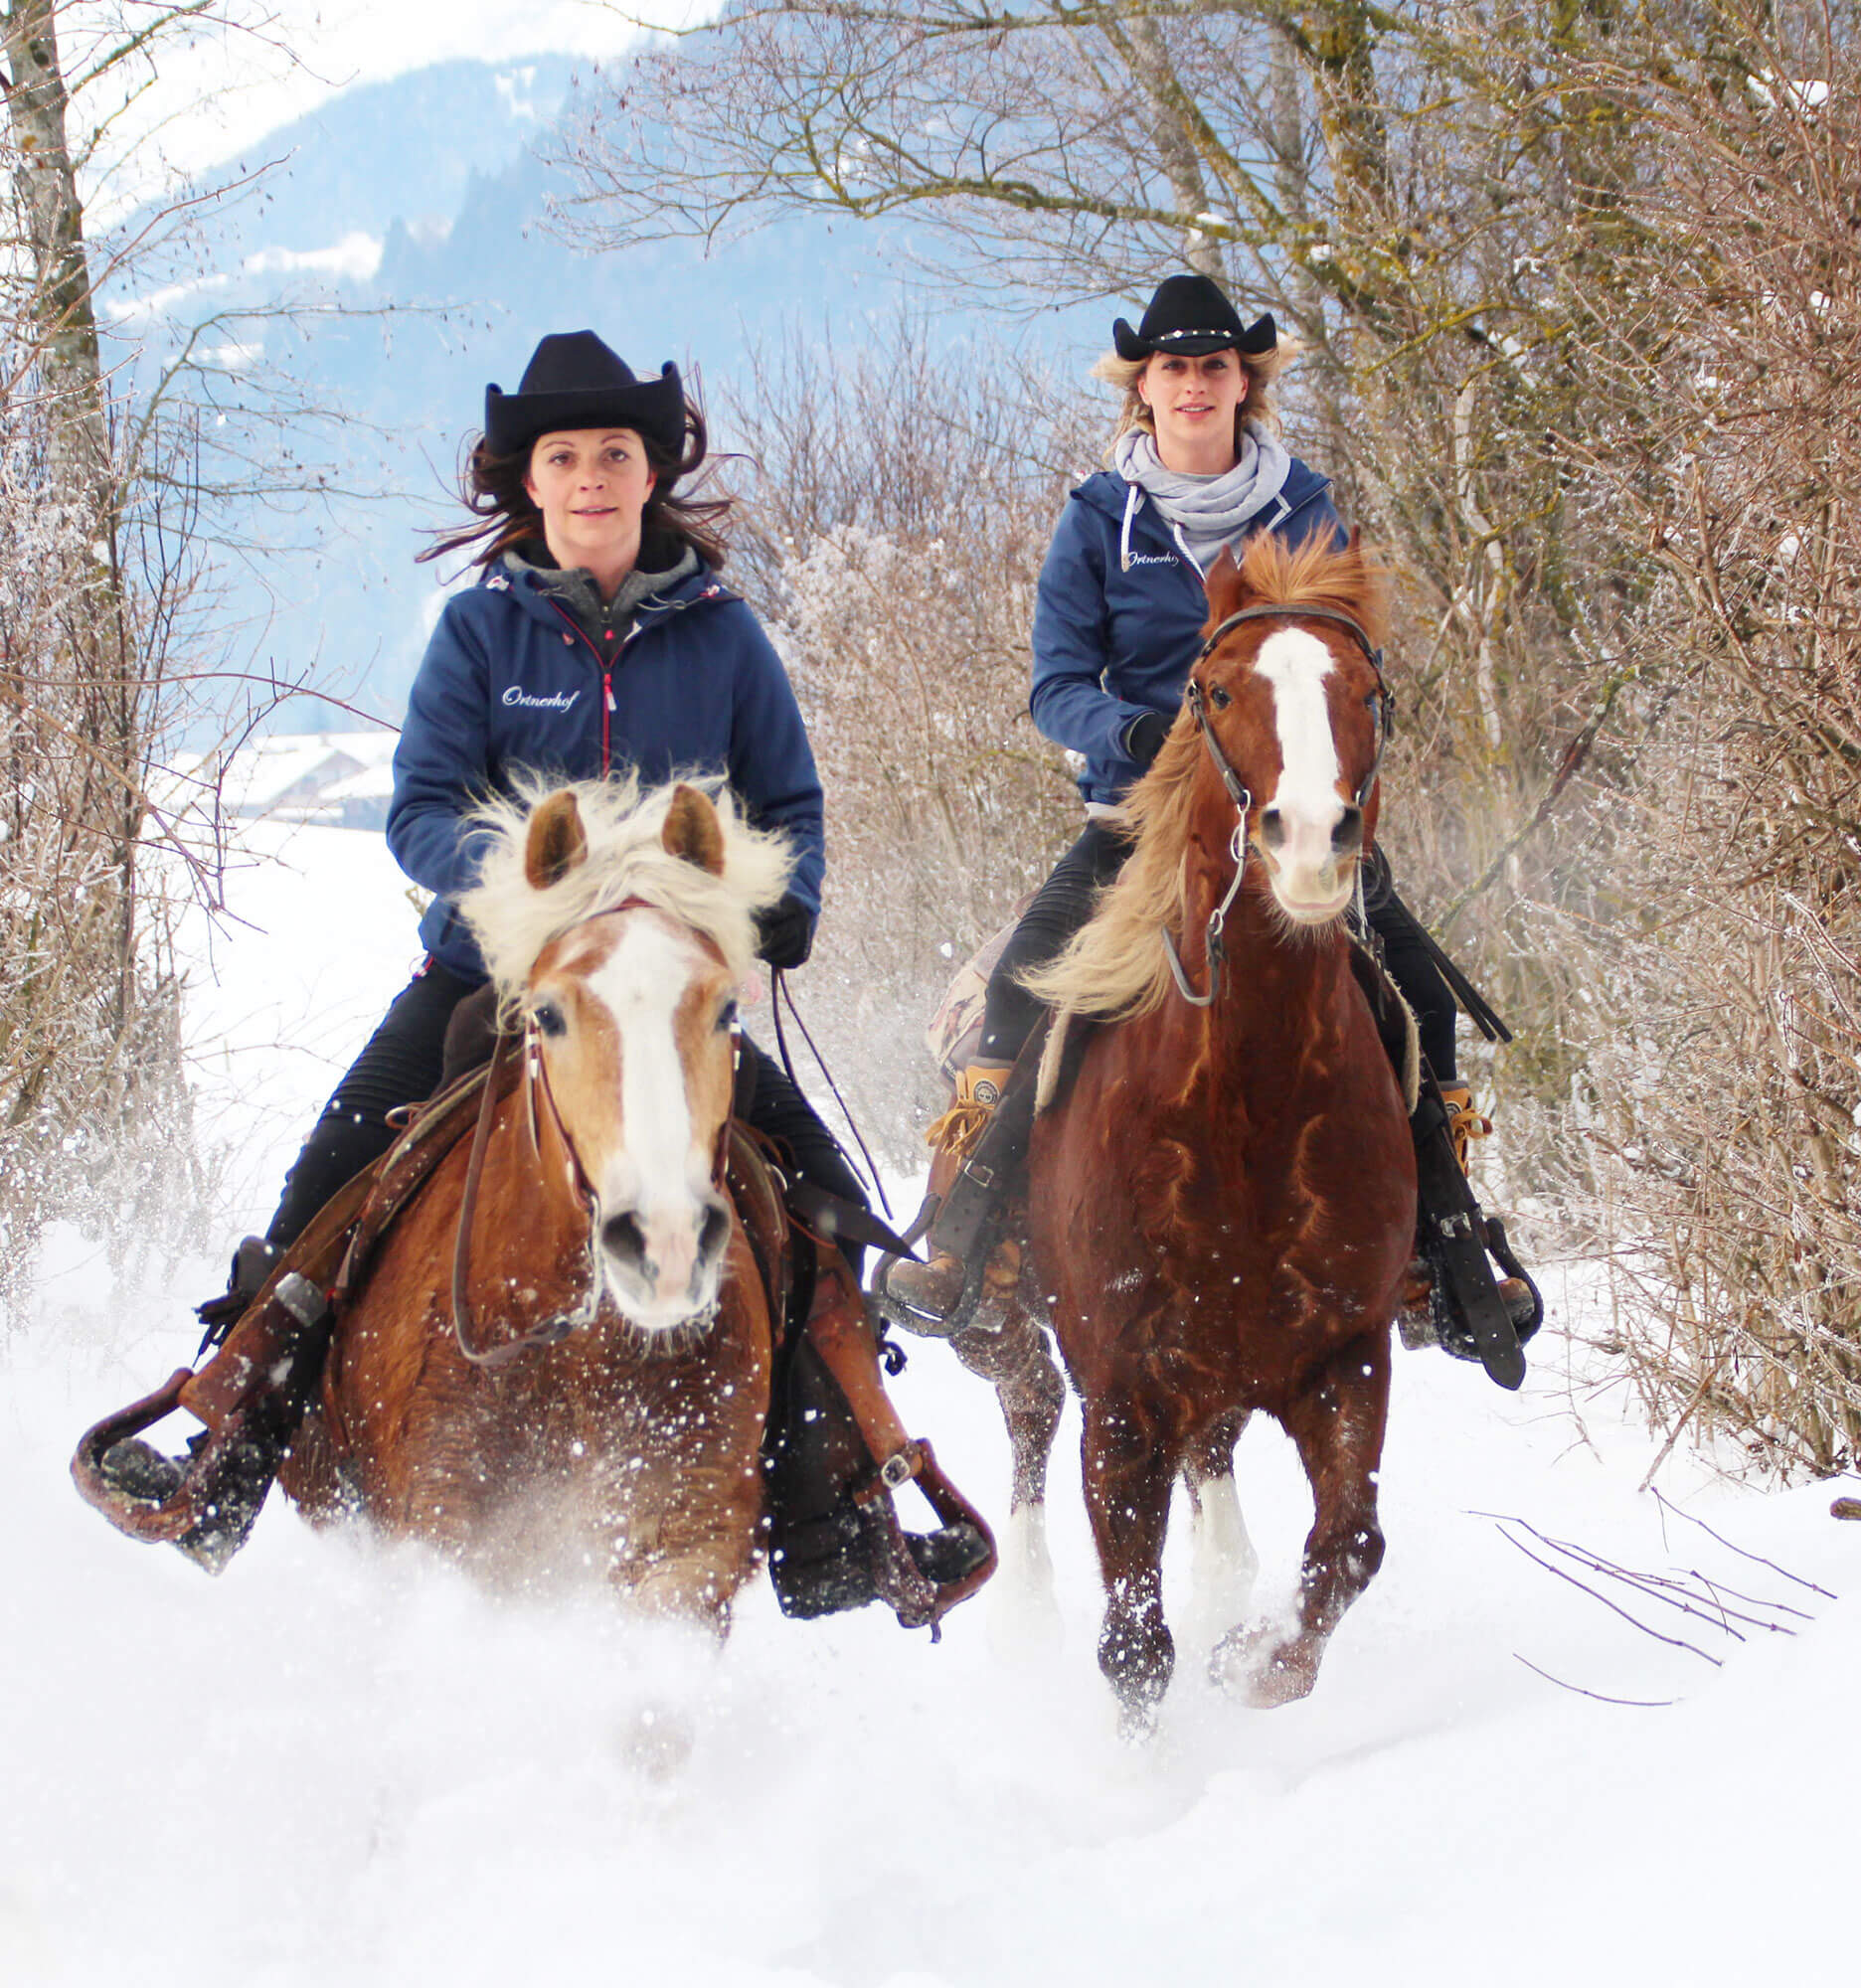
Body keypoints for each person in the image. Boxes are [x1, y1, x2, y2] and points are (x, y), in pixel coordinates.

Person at [100, 330, 984, 1606]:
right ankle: (228, 1426)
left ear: (650, 473)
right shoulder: (476, 634)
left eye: (612, 454)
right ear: (529, 483)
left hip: (675, 999)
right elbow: (418, 810)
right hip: (488, 982)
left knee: (826, 1208)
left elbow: (787, 804)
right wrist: (517, 885)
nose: (588, 477)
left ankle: (850, 1496)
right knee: (334, 1169)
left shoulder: (729, 641)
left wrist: (773, 907)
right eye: (563, 457)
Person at [884, 274, 1533, 1343]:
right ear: (1144, 387)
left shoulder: (1305, 509)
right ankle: (973, 1238)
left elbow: (1349, 659)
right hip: (1137, 825)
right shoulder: (1099, 519)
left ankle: (1445, 1251)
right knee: (1018, 987)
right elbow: (1055, 684)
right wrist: (1130, 733)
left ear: (1246, 383)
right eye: (1174, 368)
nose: (1194, 384)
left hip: (1295, 818)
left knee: (1419, 991)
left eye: (1214, 366)